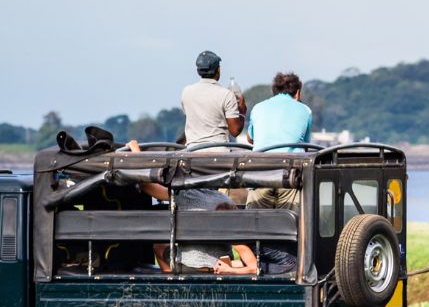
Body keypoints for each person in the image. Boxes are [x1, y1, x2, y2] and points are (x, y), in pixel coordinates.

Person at [129, 140, 297, 275]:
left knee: (158, 246)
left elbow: (146, 186)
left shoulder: (185, 195)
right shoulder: (224, 199)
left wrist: (136, 153)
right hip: (219, 265)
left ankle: (170, 278)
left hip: (189, 267)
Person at [245, 72, 312, 209]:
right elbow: (305, 146)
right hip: (290, 175)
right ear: (298, 93)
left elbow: (250, 139)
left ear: (273, 91)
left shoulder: (258, 107)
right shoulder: (305, 110)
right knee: (293, 225)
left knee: (256, 225)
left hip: (259, 174)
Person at [180, 50, 247, 148]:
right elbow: (235, 131)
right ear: (218, 70)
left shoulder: (186, 92)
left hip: (192, 151)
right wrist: (242, 112)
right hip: (218, 152)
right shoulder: (226, 94)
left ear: (198, 71)